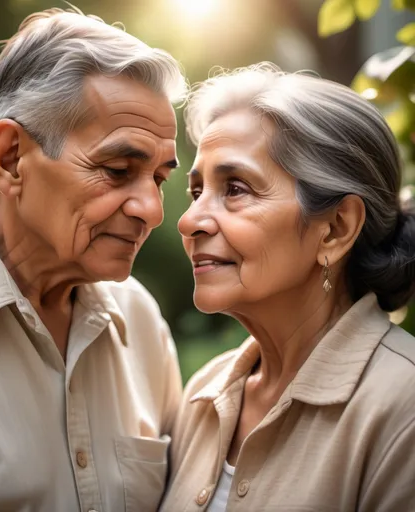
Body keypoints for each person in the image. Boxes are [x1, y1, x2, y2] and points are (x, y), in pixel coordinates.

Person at [0, 8, 187, 511]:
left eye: (160, 179)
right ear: (11, 157)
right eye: (119, 169)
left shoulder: (140, 320)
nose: (153, 211)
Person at [160, 63, 415, 512]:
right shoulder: (204, 392)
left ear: (335, 229)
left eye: (235, 188)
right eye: (196, 192)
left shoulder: (403, 409)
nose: (189, 221)